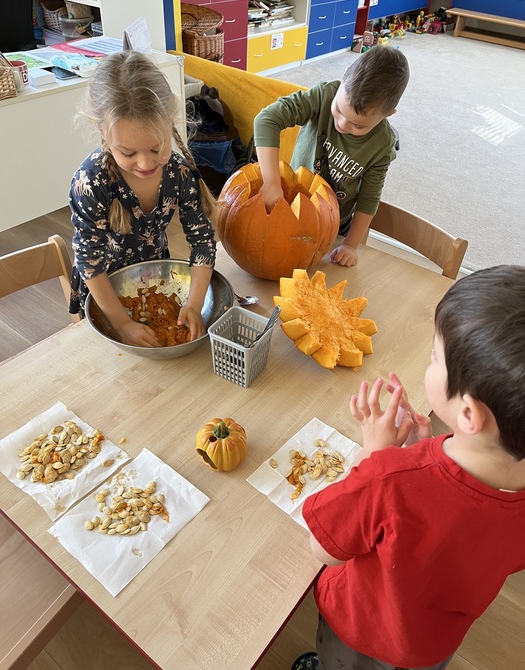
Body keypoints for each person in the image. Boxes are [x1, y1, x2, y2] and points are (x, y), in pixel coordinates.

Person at [295, 265, 525, 670]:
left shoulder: (388, 479)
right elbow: (458, 521)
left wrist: (374, 454)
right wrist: (426, 451)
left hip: (360, 633)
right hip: (431, 645)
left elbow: (324, 550)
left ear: (468, 414)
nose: (429, 361)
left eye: (435, 357)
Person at [68, 50, 217, 347]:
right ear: (102, 131)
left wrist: (194, 304)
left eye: (156, 148)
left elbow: (202, 242)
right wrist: (121, 322)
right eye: (128, 152)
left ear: (169, 121)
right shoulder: (92, 182)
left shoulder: (179, 173)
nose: (146, 163)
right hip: (102, 293)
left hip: (153, 273)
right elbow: (90, 263)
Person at [253, 45, 409, 267]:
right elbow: (267, 119)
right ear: (344, 75)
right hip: (288, 207)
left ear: (388, 115)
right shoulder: (324, 95)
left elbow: (369, 198)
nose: (343, 124)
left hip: (334, 224)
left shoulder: (383, 145)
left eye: (358, 125)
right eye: (339, 110)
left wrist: (351, 245)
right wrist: (271, 181)